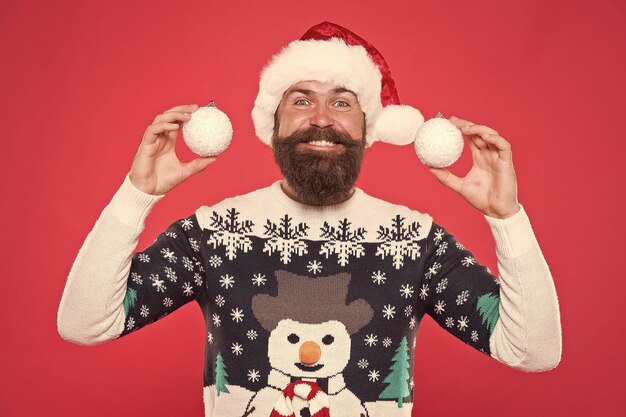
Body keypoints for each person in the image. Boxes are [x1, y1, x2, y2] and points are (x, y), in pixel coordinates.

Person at [57, 21, 562, 417]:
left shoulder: (415, 242)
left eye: (342, 102)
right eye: (301, 100)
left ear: (368, 129)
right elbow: (85, 324)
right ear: (272, 125)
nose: (322, 118)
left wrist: (507, 218)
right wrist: (135, 196)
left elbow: (533, 350)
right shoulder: (214, 233)